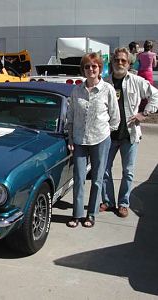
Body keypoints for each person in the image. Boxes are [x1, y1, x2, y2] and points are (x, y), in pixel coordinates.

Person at [100, 47, 158, 217]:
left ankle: (123, 203)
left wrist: (144, 114)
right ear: (112, 62)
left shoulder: (136, 81)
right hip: (108, 136)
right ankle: (108, 201)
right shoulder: (104, 83)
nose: (120, 63)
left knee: (128, 171)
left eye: (123, 60)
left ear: (129, 63)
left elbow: (155, 95)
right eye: (117, 60)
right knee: (104, 170)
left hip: (129, 135)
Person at [66, 52, 120, 228]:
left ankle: (91, 213)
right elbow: (71, 117)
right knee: (79, 177)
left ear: (100, 69)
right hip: (80, 140)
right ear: (83, 69)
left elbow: (115, 117)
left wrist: (106, 133)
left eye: (94, 66)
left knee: (97, 178)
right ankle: (77, 214)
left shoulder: (108, 90)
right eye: (87, 66)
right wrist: (71, 137)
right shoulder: (76, 91)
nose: (91, 69)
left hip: (101, 139)